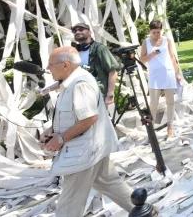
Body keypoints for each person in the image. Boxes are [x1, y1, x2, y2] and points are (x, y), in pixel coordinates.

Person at [41, 47, 134, 217]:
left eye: (51, 64)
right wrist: (52, 131)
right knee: (108, 181)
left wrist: (61, 138)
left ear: (65, 65)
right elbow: (74, 116)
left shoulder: (79, 85)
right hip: (91, 148)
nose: (48, 68)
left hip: (83, 153)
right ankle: (143, 211)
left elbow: (89, 118)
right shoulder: (70, 83)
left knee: (68, 205)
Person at [140, 20, 182, 138]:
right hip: (154, 75)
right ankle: (151, 129)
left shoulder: (166, 41)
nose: (156, 35)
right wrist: (152, 55)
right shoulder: (146, 42)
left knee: (170, 102)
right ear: (150, 31)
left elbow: (172, 57)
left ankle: (170, 127)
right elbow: (142, 59)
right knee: (153, 103)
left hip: (168, 73)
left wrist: (177, 73)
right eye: (154, 32)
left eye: (158, 32)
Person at [71, 22, 120, 105]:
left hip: (97, 93)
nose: (77, 32)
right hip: (81, 94)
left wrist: (110, 94)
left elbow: (112, 71)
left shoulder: (100, 48)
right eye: (75, 31)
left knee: (100, 118)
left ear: (90, 32)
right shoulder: (75, 51)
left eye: (81, 29)